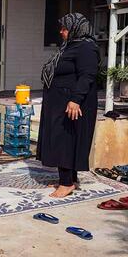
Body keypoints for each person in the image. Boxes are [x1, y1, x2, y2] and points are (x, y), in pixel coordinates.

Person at [37, 13, 99, 198]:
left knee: (64, 140)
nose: (61, 31)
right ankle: (70, 179)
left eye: (65, 28)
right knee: (64, 139)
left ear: (76, 29)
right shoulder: (70, 45)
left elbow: (88, 75)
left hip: (72, 102)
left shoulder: (86, 48)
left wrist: (75, 99)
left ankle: (66, 183)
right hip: (60, 101)